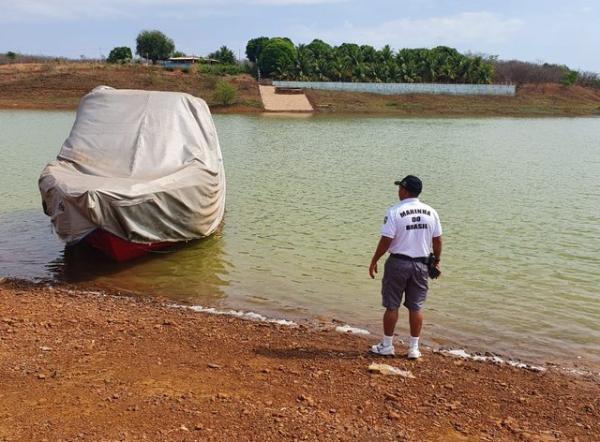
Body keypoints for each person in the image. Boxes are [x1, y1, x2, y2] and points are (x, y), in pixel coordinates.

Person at [368, 175, 442, 359]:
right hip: (421, 264)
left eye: (400, 188)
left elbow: (386, 240)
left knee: (392, 306)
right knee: (416, 307)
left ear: (405, 191)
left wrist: (374, 259)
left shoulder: (394, 211)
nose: (398, 191)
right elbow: (437, 239)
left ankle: (387, 345)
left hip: (398, 263)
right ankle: (414, 349)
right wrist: (437, 260)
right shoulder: (431, 212)